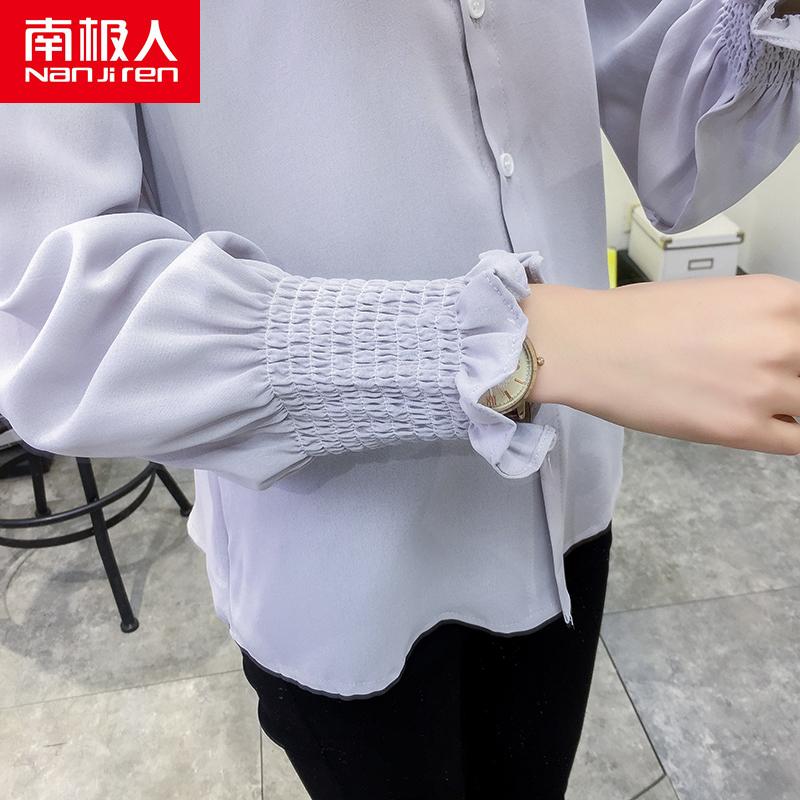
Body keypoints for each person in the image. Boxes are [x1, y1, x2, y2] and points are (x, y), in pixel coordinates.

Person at [2, 1, 800, 797]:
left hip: (564, 507)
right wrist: (520, 347)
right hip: (343, 562)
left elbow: (670, 116)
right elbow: (69, 320)